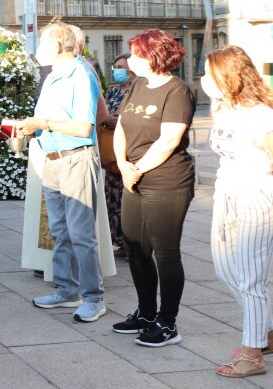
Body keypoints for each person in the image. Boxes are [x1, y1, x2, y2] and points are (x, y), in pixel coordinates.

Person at [111, 29, 194, 347]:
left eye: (135, 54)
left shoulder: (177, 90)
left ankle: (168, 323)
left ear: (154, 56)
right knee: (135, 249)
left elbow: (169, 140)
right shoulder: (137, 85)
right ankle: (146, 314)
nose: (129, 60)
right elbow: (120, 128)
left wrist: (137, 170)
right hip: (133, 178)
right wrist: (123, 166)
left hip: (167, 181)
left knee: (166, 253)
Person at [19, 21, 106, 323]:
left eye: (43, 41)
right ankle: (67, 289)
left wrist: (43, 124)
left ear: (57, 44)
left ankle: (94, 298)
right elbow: (47, 119)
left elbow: (84, 127)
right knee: (59, 232)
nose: (38, 47)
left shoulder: (81, 75)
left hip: (76, 159)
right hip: (53, 159)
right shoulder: (54, 76)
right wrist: (31, 129)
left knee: (81, 235)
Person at [202, 46, 273, 378]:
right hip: (227, 193)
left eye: (211, 74)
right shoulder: (225, 109)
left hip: (255, 196)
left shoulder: (261, 114)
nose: (206, 81)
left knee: (250, 278)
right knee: (225, 268)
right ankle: (266, 330)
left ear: (229, 75)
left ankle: (252, 353)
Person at [102, 53, 135, 257]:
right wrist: (109, 119)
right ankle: (117, 240)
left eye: (121, 67)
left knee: (125, 198)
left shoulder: (136, 91)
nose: (117, 71)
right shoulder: (113, 92)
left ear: (131, 70)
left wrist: (117, 120)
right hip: (110, 149)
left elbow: (128, 119)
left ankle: (130, 243)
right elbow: (105, 115)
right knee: (111, 197)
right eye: (115, 67)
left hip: (128, 150)